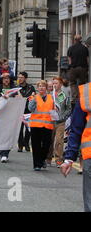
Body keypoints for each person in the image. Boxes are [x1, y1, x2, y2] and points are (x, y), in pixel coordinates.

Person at [61, 82, 91, 212]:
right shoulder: (86, 92)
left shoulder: (87, 92)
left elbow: (76, 128)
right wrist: (69, 158)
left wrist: (69, 158)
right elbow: (76, 128)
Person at [28, 80, 55, 171]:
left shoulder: (51, 98)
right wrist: (33, 100)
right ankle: (37, 164)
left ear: (46, 88)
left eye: (43, 86)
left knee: (47, 145)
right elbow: (30, 109)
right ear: (37, 88)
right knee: (36, 145)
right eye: (39, 86)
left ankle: (42, 159)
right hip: (36, 125)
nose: (41, 88)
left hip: (48, 125)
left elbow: (55, 110)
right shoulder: (34, 97)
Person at [46, 77, 71, 167]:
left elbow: (68, 108)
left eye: (56, 83)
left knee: (59, 140)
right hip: (50, 120)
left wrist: (63, 116)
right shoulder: (49, 95)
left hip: (60, 121)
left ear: (60, 84)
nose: (54, 85)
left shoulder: (64, 95)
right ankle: (48, 158)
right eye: (53, 83)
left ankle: (58, 159)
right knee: (49, 139)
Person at [0, 73, 17, 163]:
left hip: (11, 115)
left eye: (8, 78)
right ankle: (2, 152)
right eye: (4, 78)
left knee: (8, 135)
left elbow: (20, 99)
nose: (6, 80)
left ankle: (5, 153)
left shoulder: (14, 90)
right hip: (1, 115)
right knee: (1, 134)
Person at [67, 35, 89, 106]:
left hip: (73, 68)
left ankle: (74, 98)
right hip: (82, 68)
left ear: (74, 40)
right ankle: (82, 97)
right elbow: (87, 59)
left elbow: (69, 59)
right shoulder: (85, 48)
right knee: (82, 83)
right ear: (81, 40)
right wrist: (87, 67)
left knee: (73, 83)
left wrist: (70, 66)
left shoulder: (71, 48)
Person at [17, 72, 36, 152]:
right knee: (19, 129)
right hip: (19, 111)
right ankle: (20, 145)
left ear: (25, 78)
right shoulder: (17, 88)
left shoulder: (31, 87)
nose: (20, 79)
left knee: (28, 129)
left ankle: (27, 144)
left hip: (28, 110)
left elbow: (34, 97)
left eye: (21, 77)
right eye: (19, 77)